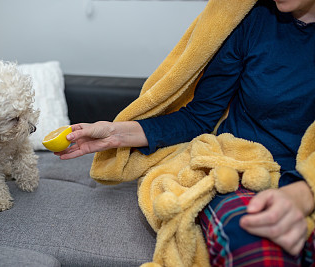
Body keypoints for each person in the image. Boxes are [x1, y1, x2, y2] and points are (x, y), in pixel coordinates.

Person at [55, 0, 315, 265]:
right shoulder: (250, 19)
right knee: (256, 241)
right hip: (239, 171)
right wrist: (115, 134)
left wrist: (304, 191)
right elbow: (198, 117)